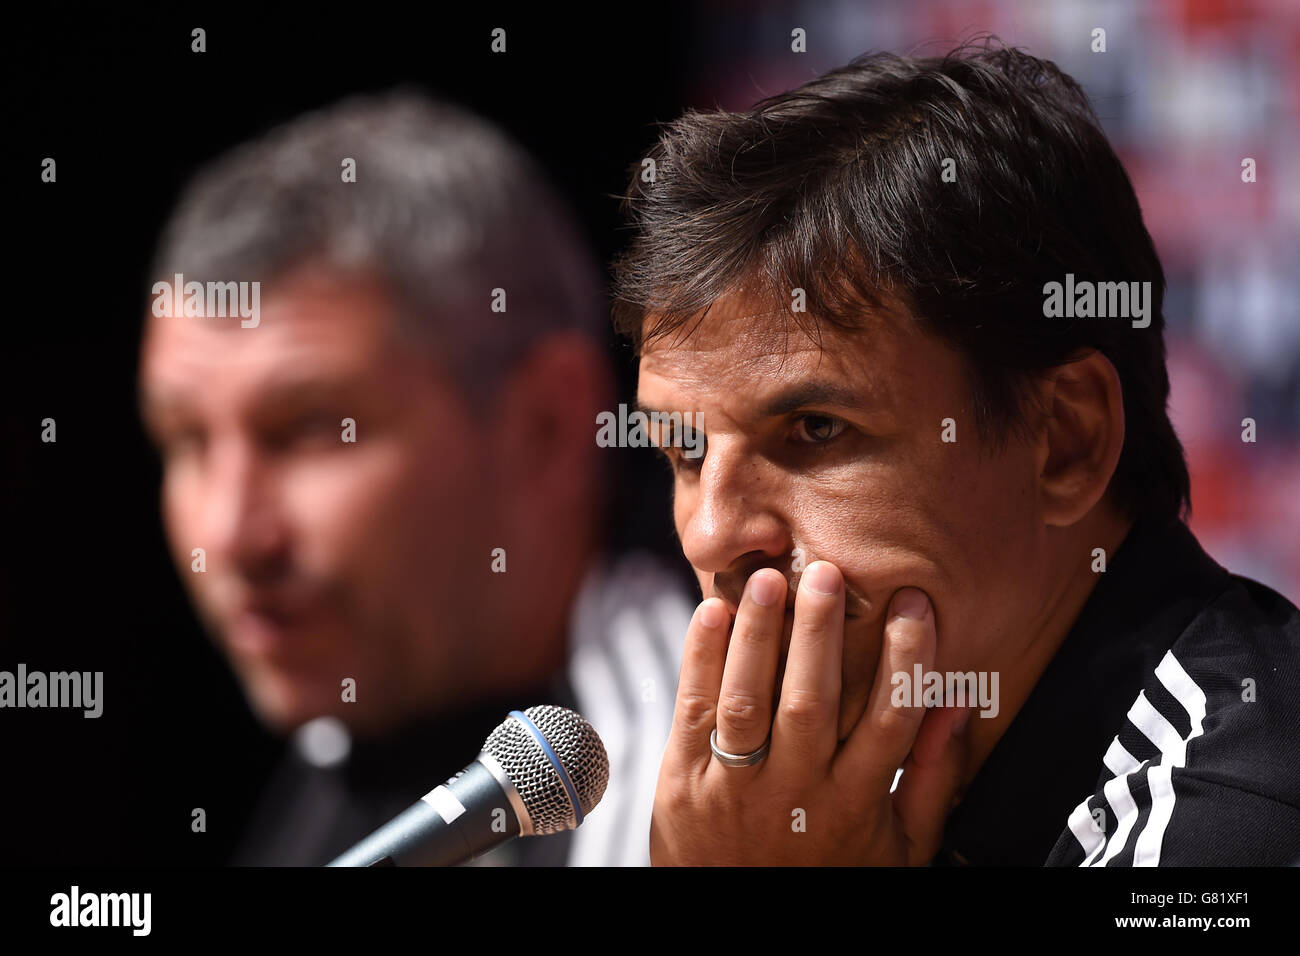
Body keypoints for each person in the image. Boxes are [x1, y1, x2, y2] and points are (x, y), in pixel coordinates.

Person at [610, 41, 1300, 866]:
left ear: (1065, 441)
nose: (711, 535)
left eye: (817, 429)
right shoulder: (863, 790)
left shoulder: (1232, 827)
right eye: (684, 451)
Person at [137, 90, 691, 866]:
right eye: (186, 440)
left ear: (547, 424)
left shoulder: (679, 795)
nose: (230, 536)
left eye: (311, 429)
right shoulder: (364, 698)